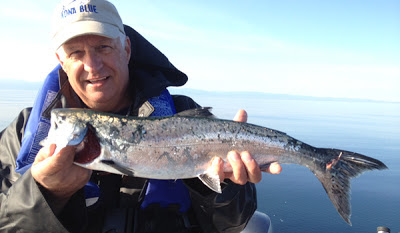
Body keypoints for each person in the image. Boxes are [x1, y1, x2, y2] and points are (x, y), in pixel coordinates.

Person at [0, 0, 281, 232]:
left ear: (127, 49)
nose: (92, 65)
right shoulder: (23, 132)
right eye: (76, 53)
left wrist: (225, 187)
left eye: (103, 47)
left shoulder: (185, 115)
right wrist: (45, 193)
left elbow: (235, 222)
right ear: (62, 61)